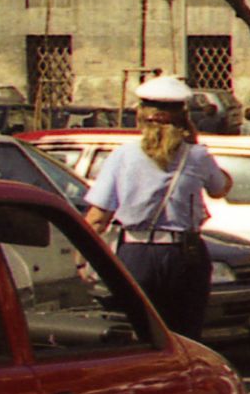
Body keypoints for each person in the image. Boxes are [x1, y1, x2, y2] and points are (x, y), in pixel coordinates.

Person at [82, 75, 232, 339]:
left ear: (141, 113)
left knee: (141, 335)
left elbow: (97, 216)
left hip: (136, 253)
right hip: (185, 254)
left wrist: (81, 259)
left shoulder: (122, 156)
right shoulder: (197, 156)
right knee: (184, 336)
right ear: (183, 116)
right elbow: (220, 188)